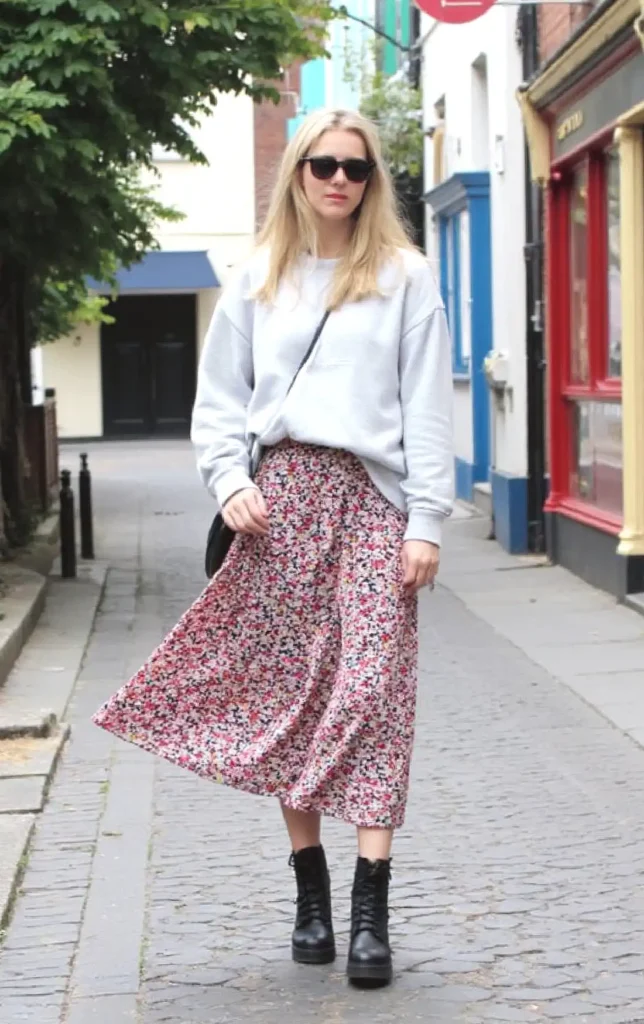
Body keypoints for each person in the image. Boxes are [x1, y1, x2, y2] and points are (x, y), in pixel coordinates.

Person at [93, 108, 454, 987]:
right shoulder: (259, 276)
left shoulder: (406, 276)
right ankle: (312, 893)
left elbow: (427, 407)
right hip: (281, 503)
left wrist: (427, 523)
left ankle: (373, 906)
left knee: (372, 688)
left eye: (356, 169)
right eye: (323, 164)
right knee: (293, 694)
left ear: (373, 182)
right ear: (297, 173)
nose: (339, 179)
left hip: (373, 499)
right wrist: (229, 482)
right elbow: (219, 403)